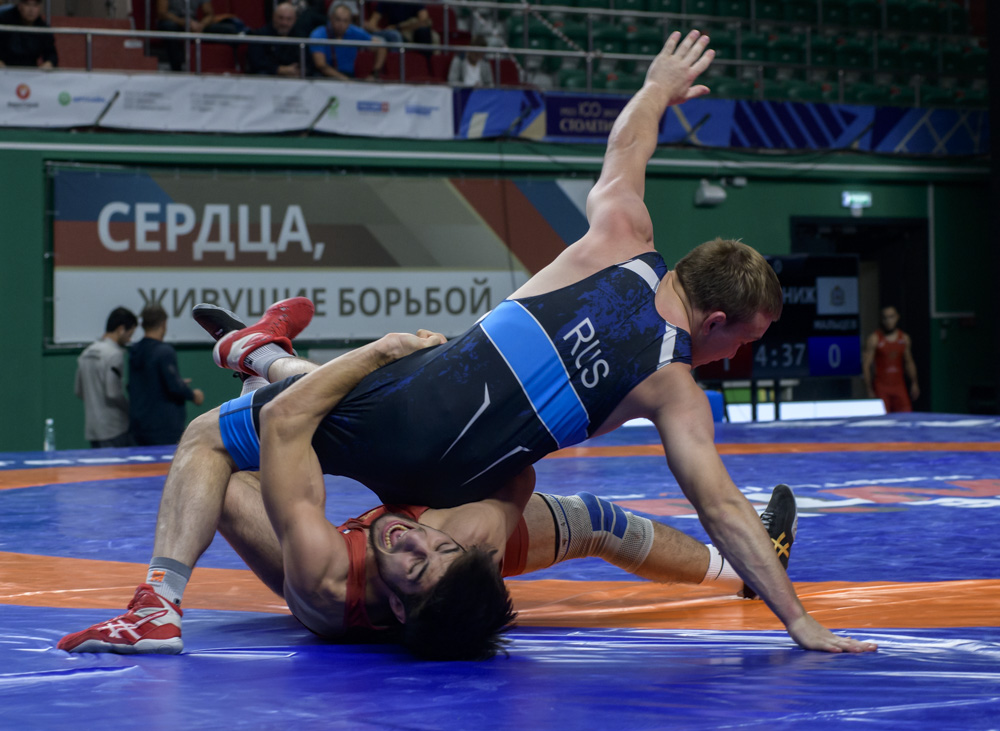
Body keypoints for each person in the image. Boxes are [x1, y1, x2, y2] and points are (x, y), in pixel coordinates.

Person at [64, 32, 875, 658]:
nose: (731, 359)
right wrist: (798, 620)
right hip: (464, 490)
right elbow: (719, 504)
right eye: (740, 344)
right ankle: (264, 358)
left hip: (403, 414)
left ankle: (161, 598)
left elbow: (628, 146)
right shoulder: (672, 385)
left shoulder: (620, 235)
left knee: (216, 436)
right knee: (576, 511)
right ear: (719, 320)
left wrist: (657, 89)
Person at [59, 320, 800, 659]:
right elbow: (520, 475)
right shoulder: (462, 543)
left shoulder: (320, 566)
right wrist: (452, 485)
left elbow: (288, 423)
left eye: (417, 557)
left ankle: (159, 601)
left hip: (314, 573)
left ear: (399, 604)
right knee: (593, 520)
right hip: (444, 544)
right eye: (433, 545)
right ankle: (743, 568)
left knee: (214, 444)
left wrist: (382, 351)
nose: (409, 536)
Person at [127, 304, 204, 446]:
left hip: (138, 428)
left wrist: (177, 382)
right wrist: (193, 395)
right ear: (164, 323)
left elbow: (149, 382)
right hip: (163, 429)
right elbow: (174, 386)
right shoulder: (164, 351)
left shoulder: (135, 350)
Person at [74, 308, 138, 449]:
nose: (129, 340)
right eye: (129, 334)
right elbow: (113, 393)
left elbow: (78, 391)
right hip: (114, 428)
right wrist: (130, 410)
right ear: (121, 329)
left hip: (93, 429)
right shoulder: (114, 354)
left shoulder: (85, 353)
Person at [156, 0, 245, 72]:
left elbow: (209, 14)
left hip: (195, 24)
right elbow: (162, 13)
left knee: (229, 29)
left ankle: (231, 68)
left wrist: (201, 25)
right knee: (169, 27)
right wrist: (184, 22)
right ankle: (176, 69)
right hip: (174, 21)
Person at [863, 305, 919, 413]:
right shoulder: (874, 339)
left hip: (899, 387)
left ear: (897, 317)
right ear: (881, 319)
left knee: (906, 416)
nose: (888, 321)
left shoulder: (904, 338)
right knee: (883, 420)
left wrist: (914, 382)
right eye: (885, 318)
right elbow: (866, 366)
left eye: (891, 317)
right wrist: (869, 389)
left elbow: (909, 362)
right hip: (881, 387)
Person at [310, 2, 387, 81]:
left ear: (350, 22)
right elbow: (321, 65)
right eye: (338, 19)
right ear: (331, 18)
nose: (341, 24)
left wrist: (374, 74)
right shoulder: (318, 34)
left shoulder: (354, 31)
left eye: (345, 21)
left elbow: (381, 47)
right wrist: (345, 80)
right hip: (325, 77)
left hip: (349, 76)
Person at [247, 2, 310, 77]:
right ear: (273, 17)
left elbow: (308, 63)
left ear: (295, 20)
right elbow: (256, 62)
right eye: (280, 18)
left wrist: (299, 70)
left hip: (295, 77)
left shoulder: (300, 37)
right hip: (268, 77)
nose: (284, 23)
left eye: (289, 19)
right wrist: (279, 69)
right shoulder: (260, 35)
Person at [0, 0, 58, 69]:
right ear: (20, 6)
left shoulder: (42, 28)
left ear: (40, 8)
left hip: (30, 70)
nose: (31, 10)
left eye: (35, 5)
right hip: (5, 69)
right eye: (27, 4)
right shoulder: (4, 22)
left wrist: (49, 63)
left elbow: (51, 54)